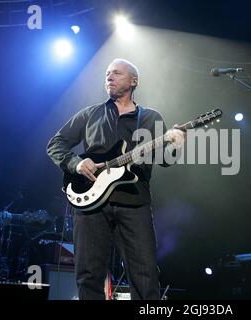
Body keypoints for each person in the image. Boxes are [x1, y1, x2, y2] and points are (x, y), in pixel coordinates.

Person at [47, 58, 185, 300]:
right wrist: (77, 163)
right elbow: (56, 144)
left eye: (116, 73)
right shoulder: (90, 114)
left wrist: (176, 143)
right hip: (91, 203)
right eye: (107, 74)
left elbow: (165, 159)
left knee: (145, 274)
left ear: (134, 81)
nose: (109, 77)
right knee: (89, 274)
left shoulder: (150, 117)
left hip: (134, 202)